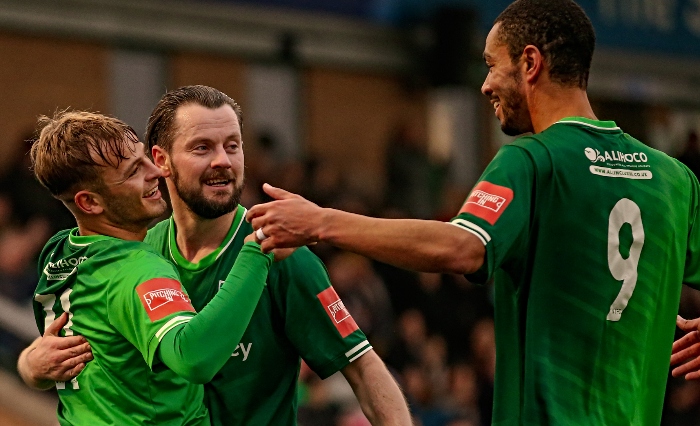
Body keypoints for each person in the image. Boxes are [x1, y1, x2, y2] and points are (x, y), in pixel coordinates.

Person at [247, 0, 700, 424]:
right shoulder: (674, 179)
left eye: (490, 65)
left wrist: (322, 221)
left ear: (529, 63)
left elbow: (463, 247)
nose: (484, 85)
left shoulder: (532, 161)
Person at [21, 86, 411, 425]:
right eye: (202, 148)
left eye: (233, 146)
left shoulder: (284, 254)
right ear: (162, 161)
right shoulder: (138, 249)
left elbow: (362, 368)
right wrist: (32, 367)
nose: (223, 160)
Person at [20, 110, 279, 425]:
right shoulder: (138, 270)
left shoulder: (58, 251)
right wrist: (258, 246)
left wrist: (29, 365)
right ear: (90, 203)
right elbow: (193, 358)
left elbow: (61, 352)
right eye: (133, 172)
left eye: (144, 157)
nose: (156, 171)